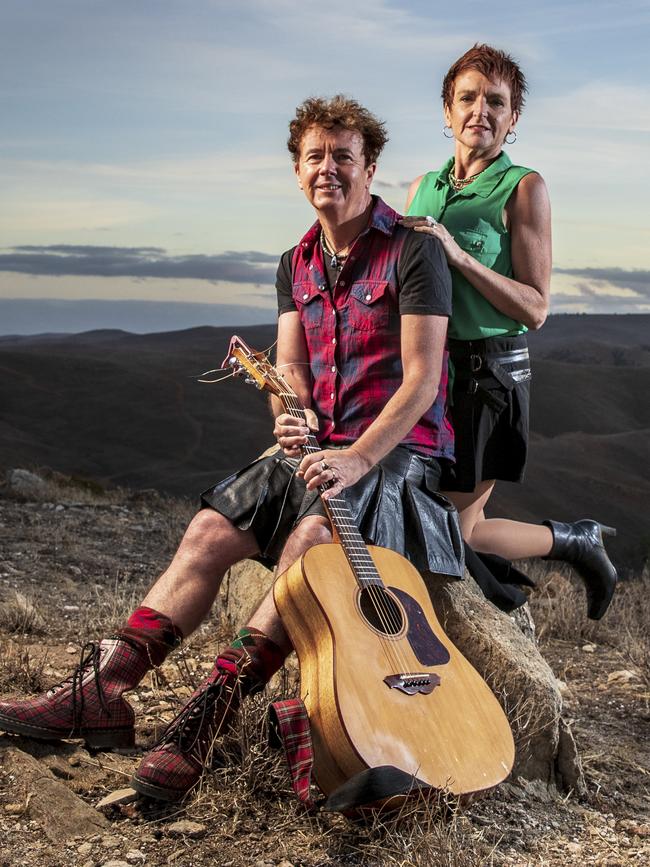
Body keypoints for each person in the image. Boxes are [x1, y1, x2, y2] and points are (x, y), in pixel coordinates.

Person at [0, 95, 462, 803]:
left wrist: (357, 458)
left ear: (370, 166)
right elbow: (292, 371)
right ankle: (106, 690)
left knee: (310, 545)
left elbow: (424, 380)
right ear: (297, 169)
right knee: (209, 530)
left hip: (393, 454)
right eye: (315, 156)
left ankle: (207, 717)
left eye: (344, 155)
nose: (328, 169)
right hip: (317, 445)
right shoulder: (294, 261)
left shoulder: (414, 251)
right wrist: (287, 412)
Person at [401, 44, 617, 620]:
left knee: (441, 530)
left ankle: (564, 547)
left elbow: (536, 307)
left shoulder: (524, 187)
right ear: (446, 110)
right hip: (428, 372)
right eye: (467, 98)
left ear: (513, 118)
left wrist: (460, 257)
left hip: (487, 376)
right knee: (452, 529)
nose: (481, 111)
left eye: (496, 102)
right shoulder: (422, 186)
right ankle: (568, 544)